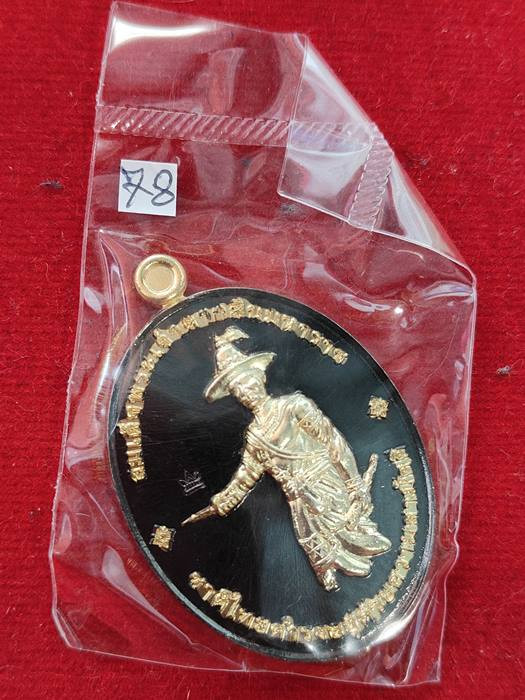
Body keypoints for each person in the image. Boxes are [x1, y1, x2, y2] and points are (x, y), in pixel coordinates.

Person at [182, 326, 391, 591]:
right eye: (236, 390)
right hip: (298, 497)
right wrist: (222, 502)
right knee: (310, 538)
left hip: (325, 480)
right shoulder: (254, 436)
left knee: (349, 525)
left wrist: (352, 482)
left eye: (246, 383)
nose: (244, 393)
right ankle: (328, 569)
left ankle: (364, 554)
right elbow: (246, 476)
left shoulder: (294, 406)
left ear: (259, 378)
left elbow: (333, 441)